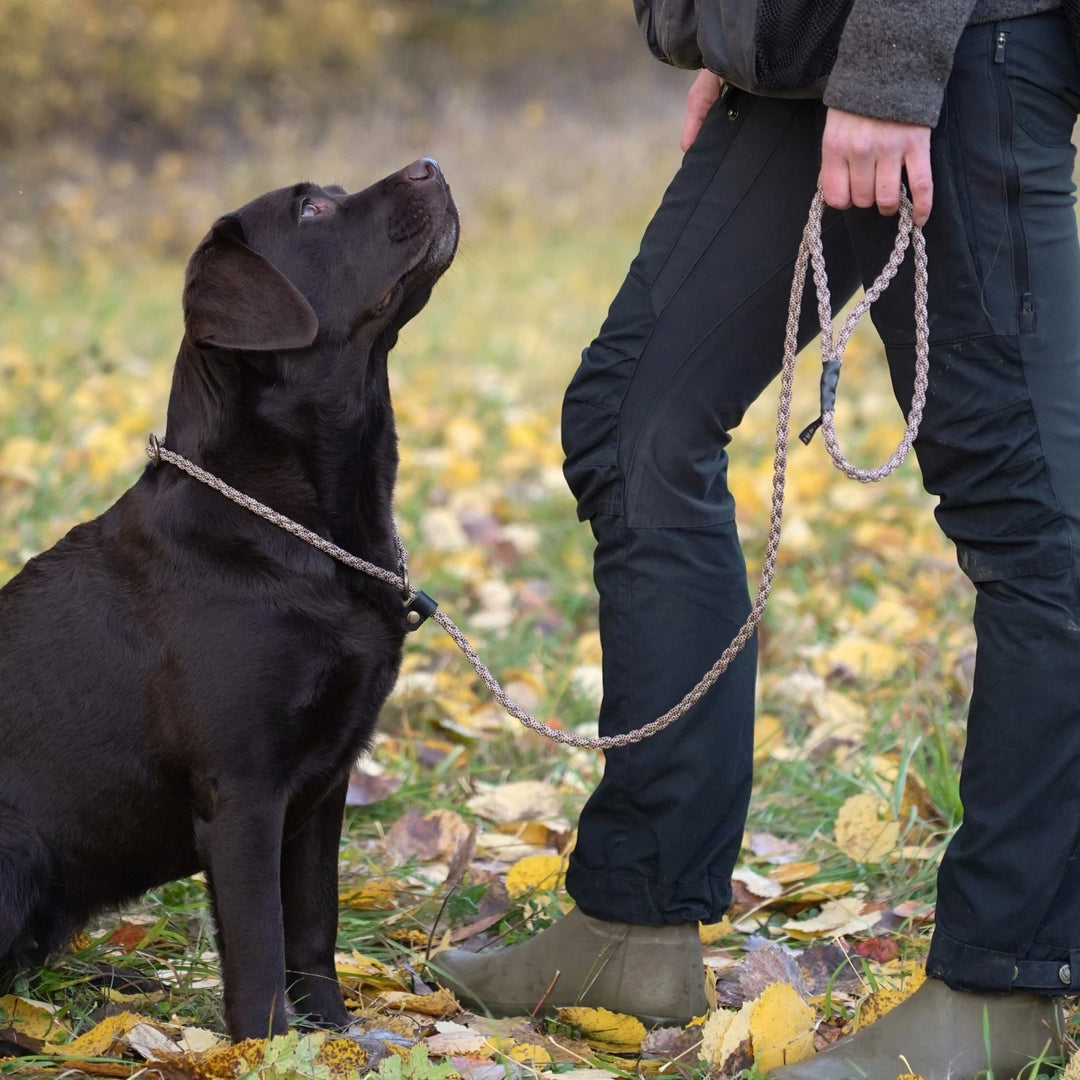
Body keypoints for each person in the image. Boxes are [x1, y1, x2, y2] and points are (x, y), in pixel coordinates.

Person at [434, 2, 1080, 1075]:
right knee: (635, 418)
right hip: (820, 51)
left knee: (1037, 518)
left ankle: (1005, 983)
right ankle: (634, 922)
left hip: (955, 40)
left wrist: (887, 72)